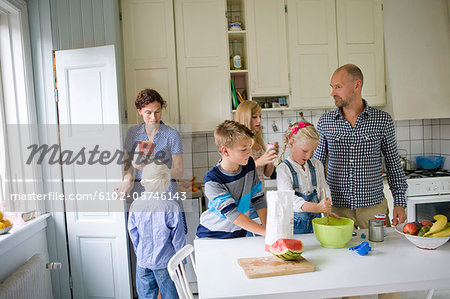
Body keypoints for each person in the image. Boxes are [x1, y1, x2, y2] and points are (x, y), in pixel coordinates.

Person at [314, 64, 408, 229]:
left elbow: (393, 164)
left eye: (338, 87)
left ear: (356, 85)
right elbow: (317, 166)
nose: (332, 92)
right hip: (336, 209)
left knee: (380, 252)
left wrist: (399, 203)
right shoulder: (325, 122)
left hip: (373, 208)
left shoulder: (382, 120)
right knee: (338, 254)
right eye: (332, 87)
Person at [196, 120, 267, 238]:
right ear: (225, 151)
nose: (249, 152)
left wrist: (266, 227)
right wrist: (265, 233)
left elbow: (258, 197)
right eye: (244, 149)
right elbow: (232, 213)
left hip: (238, 235)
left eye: (250, 147)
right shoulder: (212, 180)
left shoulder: (248, 164)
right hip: (212, 236)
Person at [128, 162, 185, 299]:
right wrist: (181, 263)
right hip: (166, 263)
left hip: (143, 261)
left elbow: (133, 233)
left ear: (143, 182)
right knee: (171, 296)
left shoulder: (136, 205)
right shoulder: (171, 207)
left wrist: (139, 251)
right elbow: (178, 239)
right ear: (167, 183)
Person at [118, 88, 184, 201]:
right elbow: (127, 164)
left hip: (166, 194)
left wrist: (153, 171)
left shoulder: (172, 135)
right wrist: (127, 179)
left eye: (157, 112)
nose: (154, 117)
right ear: (139, 111)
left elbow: (179, 171)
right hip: (142, 193)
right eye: (148, 112)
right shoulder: (133, 133)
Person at [275, 121, 337, 234]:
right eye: (304, 151)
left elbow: (323, 188)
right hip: (294, 230)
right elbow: (289, 200)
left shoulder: (317, 165)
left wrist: (326, 205)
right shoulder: (283, 169)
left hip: (316, 227)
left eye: (312, 152)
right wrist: (317, 208)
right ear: (291, 143)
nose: (308, 156)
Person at [234, 101, 278, 185]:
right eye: (254, 117)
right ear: (245, 118)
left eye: (260, 116)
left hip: (260, 192)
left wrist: (270, 158)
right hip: (246, 193)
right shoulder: (237, 142)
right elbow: (238, 171)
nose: (259, 120)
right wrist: (260, 161)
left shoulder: (257, 139)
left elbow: (267, 174)